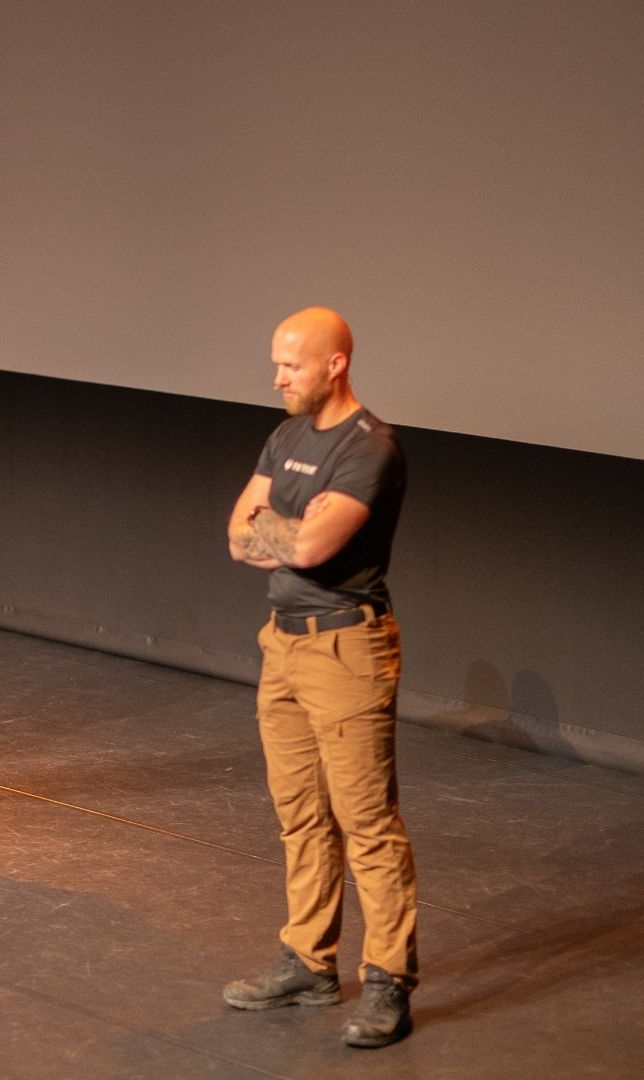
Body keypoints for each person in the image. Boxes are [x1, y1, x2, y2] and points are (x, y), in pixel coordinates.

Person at [222, 307, 417, 1048]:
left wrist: (275, 531)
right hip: (282, 645)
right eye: (276, 364)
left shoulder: (371, 448)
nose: (278, 378)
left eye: (291, 366)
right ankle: (309, 962)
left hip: (346, 650)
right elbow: (236, 533)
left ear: (335, 365)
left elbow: (306, 548)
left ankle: (389, 980)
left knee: (367, 822)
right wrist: (282, 533)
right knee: (300, 813)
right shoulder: (286, 437)